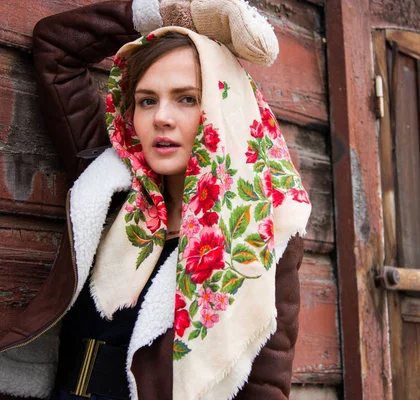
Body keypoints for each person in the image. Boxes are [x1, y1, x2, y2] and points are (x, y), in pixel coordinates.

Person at [0, 1, 311, 399]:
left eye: (186, 98)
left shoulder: (262, 233)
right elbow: (56, 50)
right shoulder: (109, 183)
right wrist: (174, 13)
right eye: (147, 100)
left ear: (223, 108)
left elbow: (265, 387)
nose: (162, 117)